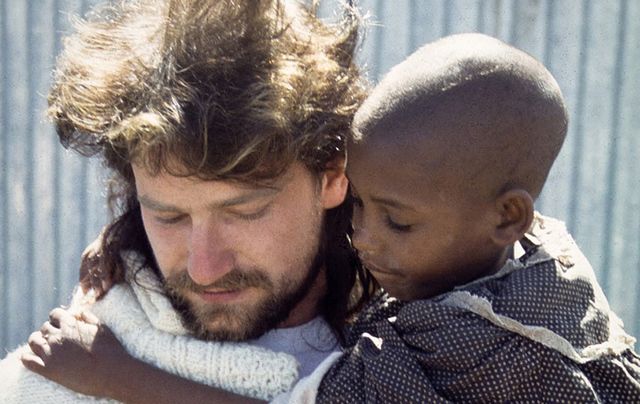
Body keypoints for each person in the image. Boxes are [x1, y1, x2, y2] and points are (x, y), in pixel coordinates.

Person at [18, 33, 640, 403]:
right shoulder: (501, 242)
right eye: (171, 215)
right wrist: (130, 233)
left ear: (509, 216)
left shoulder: (479, 343)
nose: (362, 236)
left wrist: (118, 375)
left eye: (248, 209)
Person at [0, 0, 373, 402]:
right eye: (169, 216)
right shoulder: (63, 367)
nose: (204, 271)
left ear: (333, 176)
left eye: (244, 212)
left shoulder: (412, 343)